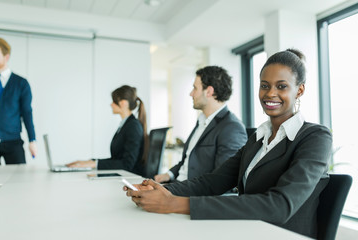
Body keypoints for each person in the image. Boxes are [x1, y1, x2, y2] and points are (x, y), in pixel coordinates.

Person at [125, 49, 332, 239]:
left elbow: (280, 205)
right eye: (264, 86)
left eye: (282, 86)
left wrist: (176, 204)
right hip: (245, 231)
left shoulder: (315, 137)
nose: (270, 93)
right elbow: (213, 182)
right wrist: (157, 189)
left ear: (300, 90)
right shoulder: (258, 138)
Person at [154, 66, 247, 183]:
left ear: (209, 91)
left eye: (195, 88)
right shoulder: (202, 121)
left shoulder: (232, 128)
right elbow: (188, 161)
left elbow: (222, 180)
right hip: (177, 185)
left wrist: (175, 192)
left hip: (191, 193)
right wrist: (169, 174)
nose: (191, 94)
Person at [67, 85, 147, 175]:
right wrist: (90, 162)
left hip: (131, 178)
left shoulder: (133, 126)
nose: (111, 104)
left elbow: (127, 164)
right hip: (123, 176)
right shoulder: (126, 125)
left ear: (123, 103)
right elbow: (116, 159)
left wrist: (95, 164)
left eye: (114, 101)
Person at [0, 38, 37, 164]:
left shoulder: (21, 83)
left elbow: (27, 112)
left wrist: (32, 140)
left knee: (19, 180)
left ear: (6, 57)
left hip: (13, 141)